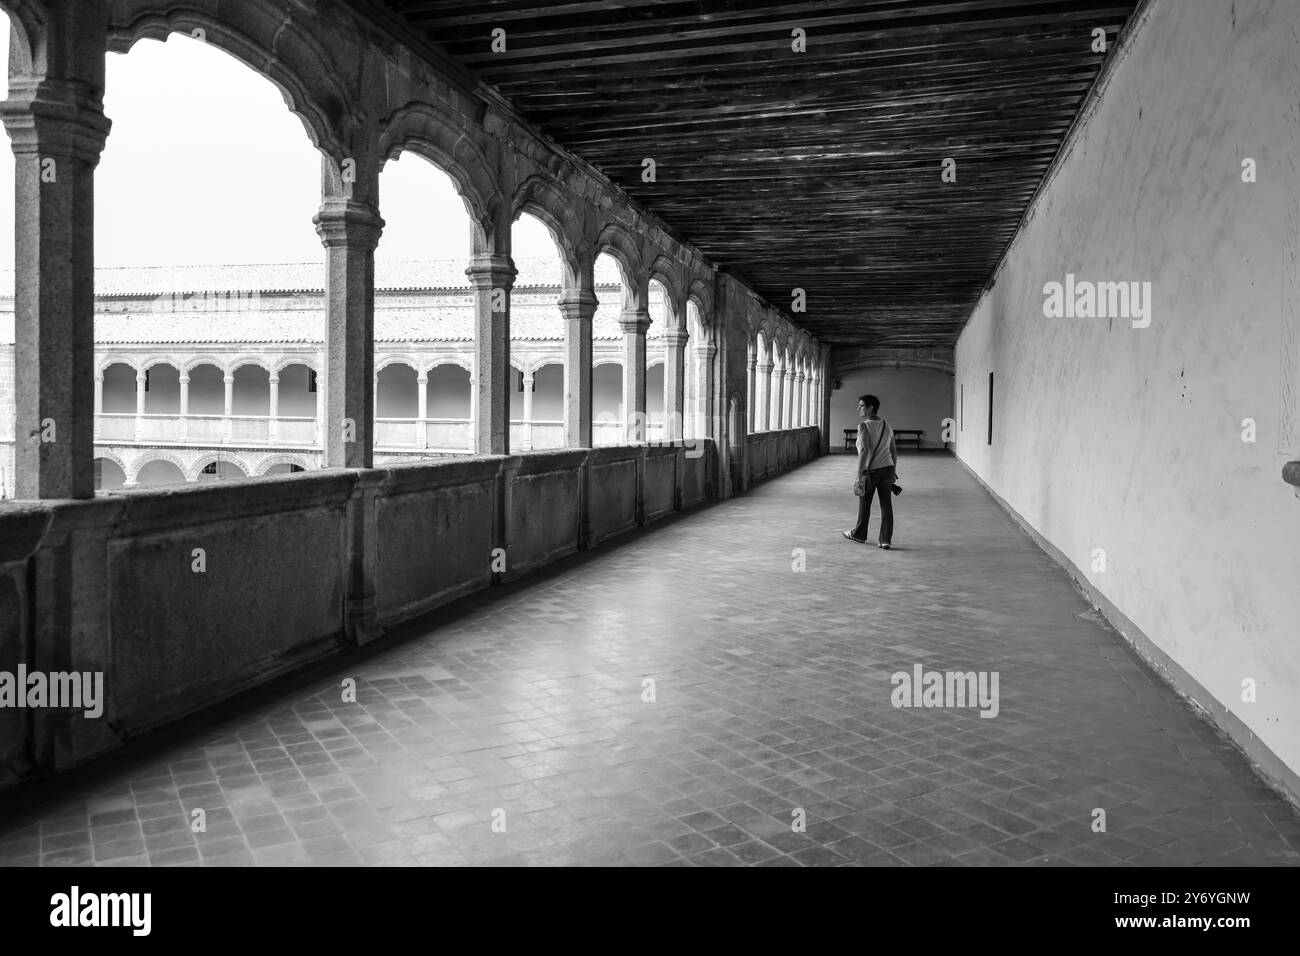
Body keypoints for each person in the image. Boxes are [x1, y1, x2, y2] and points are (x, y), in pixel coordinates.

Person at [843, 394, 897, 549]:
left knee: (865, 503)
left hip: (871, 471)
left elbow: (865, 450)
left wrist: (859, 473)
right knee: (886, 505)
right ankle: (885, 540)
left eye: (861, 405)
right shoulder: (887, 425)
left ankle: (859, 534)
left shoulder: (863, 426)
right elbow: (893, 451)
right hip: (887, 469)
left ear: (870, 407)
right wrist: (893, 471)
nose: (858, 408)